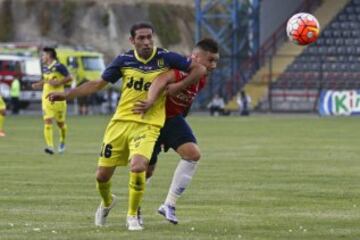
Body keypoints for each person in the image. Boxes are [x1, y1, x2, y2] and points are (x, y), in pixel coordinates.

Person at [47, 22, 206, 231]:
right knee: (102, 175)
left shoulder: (166, 58)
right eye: (141, 38)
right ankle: (106, 202)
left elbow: (200, 68)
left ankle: (132, 216)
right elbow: (97, 84)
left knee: (139, 166)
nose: (147, 42)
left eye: (149, 37)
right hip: (120, 122)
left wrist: (178, 86)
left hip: (148, 124)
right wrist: (66, 94)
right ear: (132, 40)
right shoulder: (124, 60)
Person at [133, 38, 219, 224]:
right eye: (210, 60)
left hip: (172, 120)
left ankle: (169, 205)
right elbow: (162, 79)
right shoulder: (182, 70)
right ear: (195, 57)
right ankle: (135, 211)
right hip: (154, 120)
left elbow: (186, 103)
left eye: (216, 61)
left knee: (193, 154)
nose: (214, 65)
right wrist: (149, 101)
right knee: (146, 170)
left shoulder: (200, 78)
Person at [32, 47, 73, 155]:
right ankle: (50, 147)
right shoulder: (45, 67)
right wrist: (38, 84)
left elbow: (70, 77)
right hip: (46, 99)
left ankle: (62, 142)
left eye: (43, 55)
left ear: (49, 55)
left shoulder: (59, 66)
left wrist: (59, 82)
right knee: (48, 121)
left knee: (61, 125)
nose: (42, 57)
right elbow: (47, 80)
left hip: (58, 99)